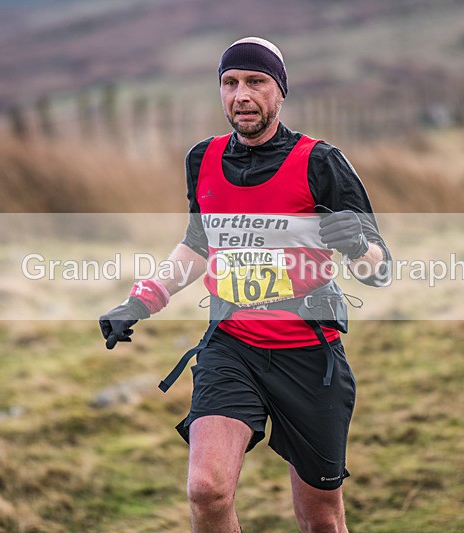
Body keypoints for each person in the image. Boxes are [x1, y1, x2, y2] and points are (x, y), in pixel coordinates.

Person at [100, 37, 390, 533]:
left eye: (256, 82)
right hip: (232, 345)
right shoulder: (203, 159)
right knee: (206, 491)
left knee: (321, 516)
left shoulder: (321, 162)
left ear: (280, 93)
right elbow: (199, 244)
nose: (241, 95)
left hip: (309, 356)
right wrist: (142, 299)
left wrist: (355, 247)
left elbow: (379, 269)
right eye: (230, 83)